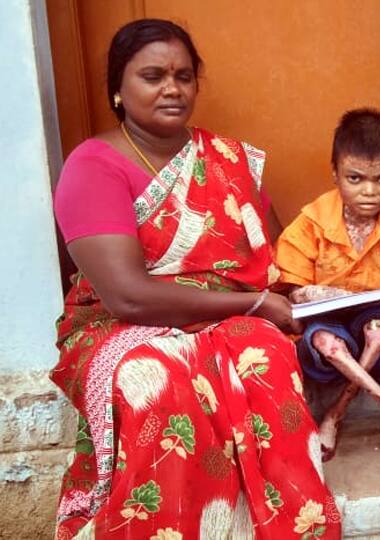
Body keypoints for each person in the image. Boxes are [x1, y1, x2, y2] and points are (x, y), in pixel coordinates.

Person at [51, 19, 340, 539]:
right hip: (122, 328)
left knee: (266, 356)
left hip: (228, 317)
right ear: (118, 89)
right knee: (156, 379)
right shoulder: (93, 165)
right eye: (153, 75)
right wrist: (251, 306)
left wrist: (305, 296)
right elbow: (127, 297)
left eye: (183, 76)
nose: (172, 88)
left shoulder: (225, 159)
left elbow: (273, 263)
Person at [274, 109, 380, 469]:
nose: (370, 192)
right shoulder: (310, 224)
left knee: (379, 331)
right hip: (329, 339)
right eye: (355, 179)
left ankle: (335, 415)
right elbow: (293, 291)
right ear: (335, 173)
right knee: (325, 342)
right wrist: (335, 298)